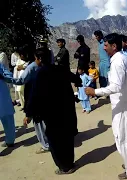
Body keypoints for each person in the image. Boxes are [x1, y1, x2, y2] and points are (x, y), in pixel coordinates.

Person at [85, 33, 127, 179]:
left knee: (123, 137)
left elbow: (116, 87)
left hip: (122, 106)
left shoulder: (118, 62)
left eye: (105, 45)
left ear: (114, 46)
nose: (103, 48)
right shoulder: (126, 59)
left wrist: (95, 91)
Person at [24, 47, 82, 175]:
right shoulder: (61, 68)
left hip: (51, 114)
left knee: (55, 140)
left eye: (35, 58)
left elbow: (34, 96)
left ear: (39, 59)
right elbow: (77, 79)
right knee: (67, 138)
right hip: (66, 110)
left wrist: (29, 114)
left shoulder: (40, 73)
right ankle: (69, 163)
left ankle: (64, 167)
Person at [5, 46, 50, 154]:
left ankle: (46, 145)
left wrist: (6, 78)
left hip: (35, 97)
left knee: (38, 123)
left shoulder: (32, 67)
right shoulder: (48, 65)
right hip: (46, 96)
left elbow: (21, 80)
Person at [0, 63, 16, 147]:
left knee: (7, 117)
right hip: (2, 94)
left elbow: (9, 75)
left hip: (2, 94)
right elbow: (9, 75)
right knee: (7, 117)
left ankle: (10, 140)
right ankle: (10, 140)